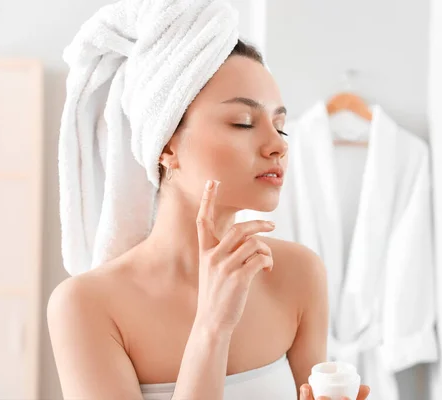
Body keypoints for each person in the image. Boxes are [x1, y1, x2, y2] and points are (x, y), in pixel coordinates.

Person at [47, 2, 371, 399]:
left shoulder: (298, 275)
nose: (277, 147)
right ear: (166, 145)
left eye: (281, 127)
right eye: (243, 123)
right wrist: (213, 326)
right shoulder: (86, 307)